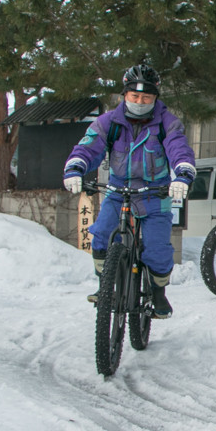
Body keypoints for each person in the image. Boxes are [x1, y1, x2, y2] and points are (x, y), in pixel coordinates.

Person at [62, 64, 197, 318]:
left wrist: (183, 174)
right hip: (117, 191)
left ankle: (158, 293)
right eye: (134, 96)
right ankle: (105, 287)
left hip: (155, 194)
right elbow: (88, 147)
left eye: (146, 97)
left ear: (155, 98)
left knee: (157, 249)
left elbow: (179, 149)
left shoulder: (167, 123)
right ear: (124, 95)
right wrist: (75, 168)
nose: (140, 101)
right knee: (101, 234)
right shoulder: (108, 122)